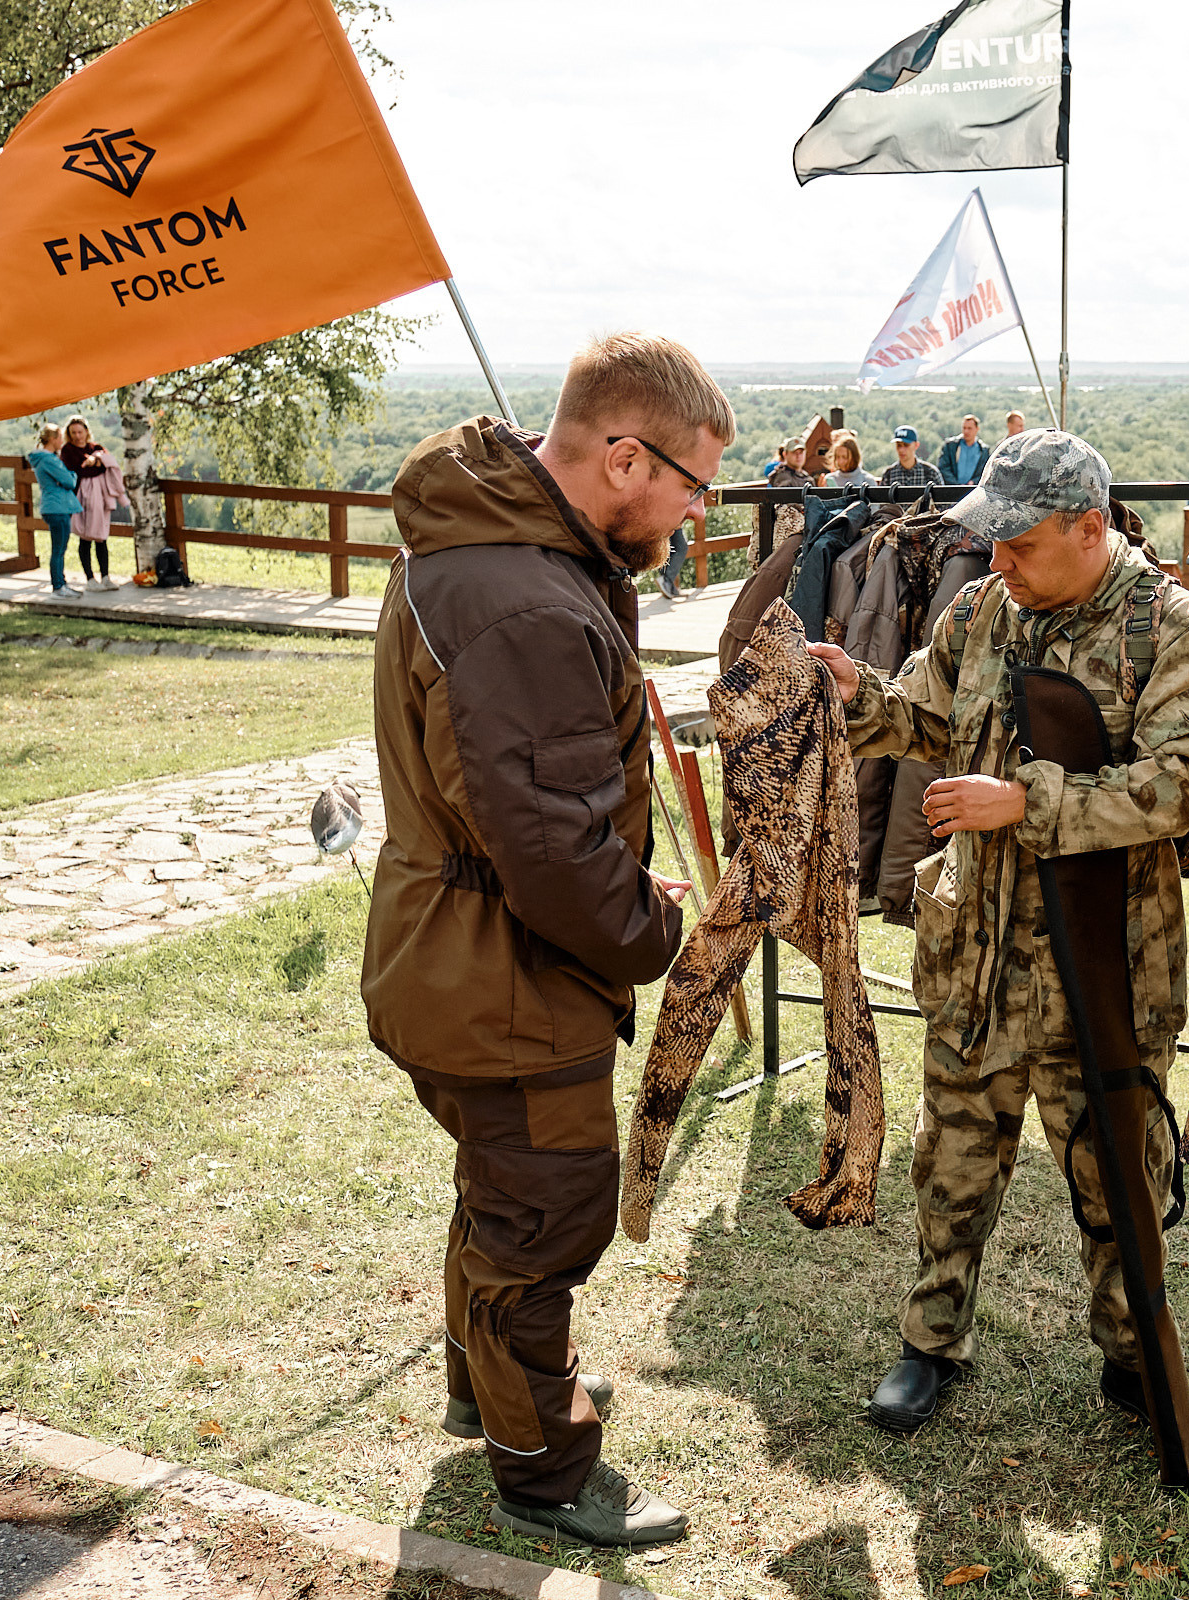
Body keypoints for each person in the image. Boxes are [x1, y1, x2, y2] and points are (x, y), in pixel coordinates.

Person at [361, 331, 721, 1550]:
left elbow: (528, 806)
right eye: (690, 484)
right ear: (625, 457)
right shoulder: (519, 599)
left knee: (499, 1192)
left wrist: (608, 868)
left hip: (454, 953)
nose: (693, 511)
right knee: (545, 1215)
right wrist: (655, 922)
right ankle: (545, 1462)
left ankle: (490, 1386)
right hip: (505, 982)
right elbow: (553, 855)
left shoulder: (489, 558)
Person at [803, 429, 1189, 1448]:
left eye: (1021, 544)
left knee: (1116, 1167)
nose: (997, 562)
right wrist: (858, 693)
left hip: (1105, 963)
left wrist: (1021, 801)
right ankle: (929, 1342)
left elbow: (1177, 788)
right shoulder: (983, 608)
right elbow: (926, 714)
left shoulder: (1174, 629)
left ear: (1091, 528)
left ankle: (1136, 1361)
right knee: (952, 1158)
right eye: (991, 543)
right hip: (977, 949)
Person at [59, 416, 123, 590]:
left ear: (86, 431)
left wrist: (96, 461)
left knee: (101, 537)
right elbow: (77, 470)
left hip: (99, 497)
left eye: (80, 432)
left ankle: (105, 576)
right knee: (86, 536)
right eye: (73, 433)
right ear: (69, 435)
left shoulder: (96, 448)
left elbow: (107, 465)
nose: (78, 436)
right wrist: (94, 464)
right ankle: (90, 578)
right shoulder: (68, 451)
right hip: (81, 496)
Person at [26, 424, 85, 597]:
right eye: (60, 437)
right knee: (58, 549)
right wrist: (72, 475)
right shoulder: (49, 460)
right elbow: (69, 481)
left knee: (59, 548)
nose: (62, 441)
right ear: (52, 439)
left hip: (54, 506)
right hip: (57, 507)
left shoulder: (46, 459)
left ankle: (61, 584)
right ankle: (58, 586)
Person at [878, 425, 943, 491]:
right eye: (898, 445)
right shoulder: (889, 474)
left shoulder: (931, 472)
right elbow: (881, 500)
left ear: (916, 445)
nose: (901, 450)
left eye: (906, 445)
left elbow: (943, 499)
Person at [936, 415, 988, 485]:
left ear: (977, 429)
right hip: (951, 491)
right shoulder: (950, 446)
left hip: (974, 491)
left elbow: (986, 472)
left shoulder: (983, 450)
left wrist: (973, 482)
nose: (966, 431)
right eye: (964, 428)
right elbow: (943, 468)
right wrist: (957, 486)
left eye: (969, 428)